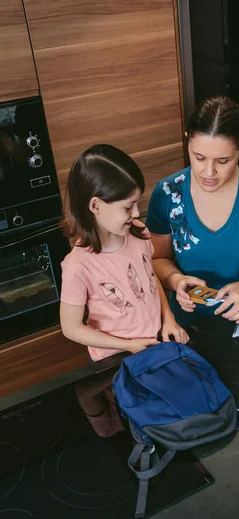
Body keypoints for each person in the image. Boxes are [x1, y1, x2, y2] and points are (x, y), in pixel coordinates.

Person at [60, 144, 188, 436]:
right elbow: (71, 328)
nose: (137, 211)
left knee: (156, 418)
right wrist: (127, 346)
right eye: (127, 206)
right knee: (125, 422)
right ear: (95, 206)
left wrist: (169, 319)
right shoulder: (78, 266)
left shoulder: (139, 233)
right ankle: (113, 434)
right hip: (115, 359)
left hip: (153, 344)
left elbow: (149, 278)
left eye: (137, 203)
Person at [146, 96, 239, 327]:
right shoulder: (167, 193)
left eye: (223, 161)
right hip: (188, 323)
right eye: (199, 157)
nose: (209, 172)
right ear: (187, 142)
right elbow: (157, 258)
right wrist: (176, 280)